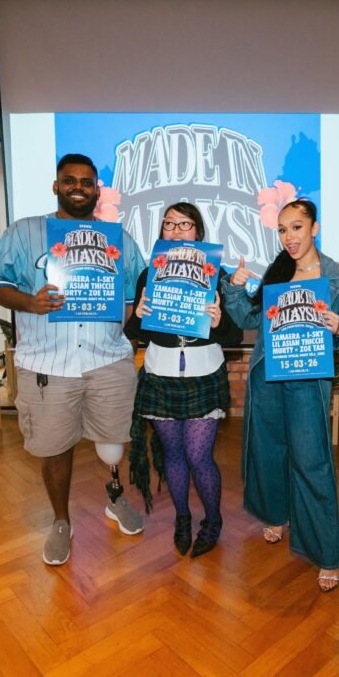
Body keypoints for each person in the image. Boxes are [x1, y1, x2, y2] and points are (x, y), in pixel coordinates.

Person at [0, 153, 147, 567]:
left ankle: (115, 498)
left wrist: (120, 320)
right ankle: (60, 521)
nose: (78, 187)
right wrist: (30, 302)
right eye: (69, 180)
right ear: (56, 186)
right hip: (47, 364)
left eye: (86, 182)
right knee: (54, 447)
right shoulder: (24, 231)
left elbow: (134, 296)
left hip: (107, 360)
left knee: (113, 441)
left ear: (96, 190)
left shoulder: (120, 239)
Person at [222, 198, 339, 592]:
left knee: (312, 461)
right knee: (268, 451)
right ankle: (277, 513)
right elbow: (248, 317)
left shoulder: (337, 276)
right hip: (268, 375)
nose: (289, 237)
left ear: (314, 228)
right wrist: (235, 288)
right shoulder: (278, 271)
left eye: (296, 227)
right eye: (282, 230)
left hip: (308, 379)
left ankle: (326, 552)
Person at [124, 203, 242, 558]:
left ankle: (213, 521)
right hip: (160, 373)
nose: (175, 231)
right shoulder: (149, 274)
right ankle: (182, 519)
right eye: (168, 224)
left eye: (184, 224)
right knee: (173, 454)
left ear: (198, 232)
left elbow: (235, 337)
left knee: (198, 455)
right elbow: (134, 332)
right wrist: (138, 316)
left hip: (204, 374)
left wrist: (219, 321)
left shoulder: (218, 274)